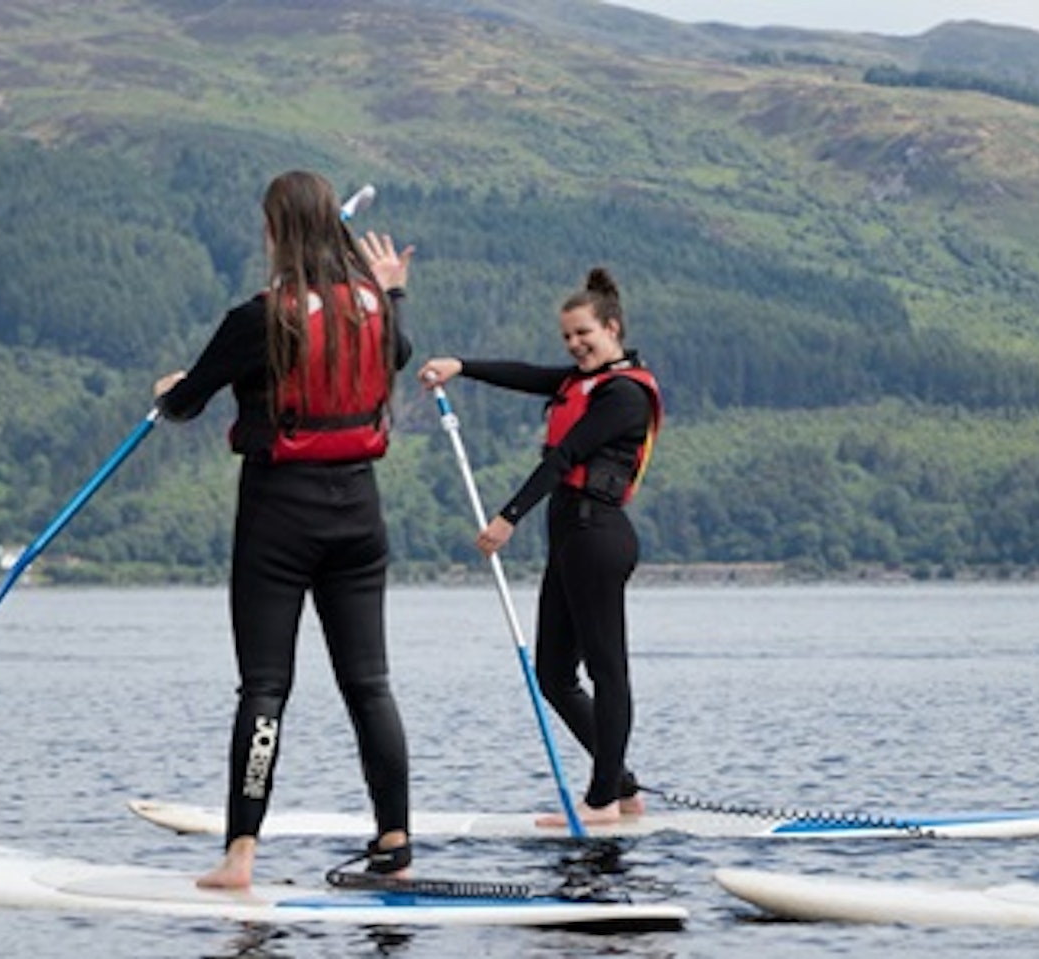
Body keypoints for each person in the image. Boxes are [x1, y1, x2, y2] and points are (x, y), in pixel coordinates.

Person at [154, 170, 415, 888]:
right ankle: (395, 842)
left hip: (279, 516)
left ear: (274, 231)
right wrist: (391, 290)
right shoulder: (373, 309)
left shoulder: (260, 318)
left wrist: (168, 391)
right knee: (369, 684)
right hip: (359, 514)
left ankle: (240, 854)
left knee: (265, 687)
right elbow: (398, 351)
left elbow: (186, 403)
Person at [418, 267, 662, 827]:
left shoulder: (624, 395)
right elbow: (526, 375)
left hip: (598, 538)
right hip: (571, 540)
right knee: (553, 673)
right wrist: (461, 366)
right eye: (568, 336)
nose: (575, 344)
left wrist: (508, 518)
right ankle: (621, 785)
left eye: (584, 334)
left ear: (612, 329)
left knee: (607, 670)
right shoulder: (581, 382)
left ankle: (601, 801)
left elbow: (564, 457)